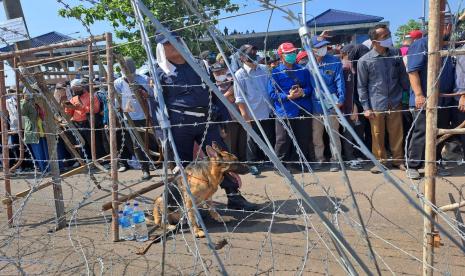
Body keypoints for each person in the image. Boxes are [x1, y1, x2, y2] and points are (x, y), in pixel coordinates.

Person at [155, 31, 259, 211]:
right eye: (167, 44)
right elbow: (157, 104)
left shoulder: (200, 65)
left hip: (207, 121)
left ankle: (234, 196)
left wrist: (222, 121)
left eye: (174, 41)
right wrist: (163, 132)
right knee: (185, 166)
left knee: (222, 158)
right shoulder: (160, 72)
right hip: (180, 124)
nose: (172, 45)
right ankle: (190, 204)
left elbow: (215, 94)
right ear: (161, 48)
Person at [405, 18, 456, 179]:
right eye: (450, 27)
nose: (451, 31)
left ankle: (434, 163)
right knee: (421, 132)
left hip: (443, 100)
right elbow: (412, 71)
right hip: (425, 100)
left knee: (439, 133)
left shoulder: (446, 45)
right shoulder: (421, 44)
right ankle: (413, 165)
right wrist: (419, 95)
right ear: (444, 26)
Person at [357, 24, 410, 173]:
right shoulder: (365, 60)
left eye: (389, 34)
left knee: (397, 132)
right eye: (384, 36)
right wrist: (366, 107)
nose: (388, 38)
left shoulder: (395, 53)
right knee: (377, 134)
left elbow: (403, 78)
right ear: (374, 41)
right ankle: (380, 162)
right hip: (376, 103)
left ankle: (398, 160)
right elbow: (361, 86)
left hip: (395, 100)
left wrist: (407, 99)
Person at [268, 42, 313, 172]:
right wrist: (287, 96)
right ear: (281, 56)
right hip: (285, 110)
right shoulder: (275, 73)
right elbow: (272, 93)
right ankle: (280, 166)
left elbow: (310, 87)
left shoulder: (303, 70)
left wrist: (302, 92)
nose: (292, 55)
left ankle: (299, 163)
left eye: (293, 52)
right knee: (283, 140)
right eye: (288, 53)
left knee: (303, 138)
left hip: (303, 108)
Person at [234, 44, 273, 176]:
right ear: (242, 57)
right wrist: (244, 115)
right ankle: (252, 164)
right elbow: (239, 98)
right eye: (250, 53)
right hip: (252, 112)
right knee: (252, 140)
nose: (254, 54)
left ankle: (267, 161)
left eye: (255, 52)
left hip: (267, 111)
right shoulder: (240, 74)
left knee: (268, 136)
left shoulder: (264, 69)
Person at [114, 57, 156, 180]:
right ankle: (145, 170)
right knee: (137, 144)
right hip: (130, 118)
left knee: (155, 140)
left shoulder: (144, 79)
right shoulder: (118, 83)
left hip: (146, 115)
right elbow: (117, 102)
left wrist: (144, 93)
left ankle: (164, 163)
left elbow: (152, 95)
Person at [310, 35, 345, 172]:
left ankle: (336, 161)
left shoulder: (334, 61)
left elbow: (339, 82)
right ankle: (320, 159)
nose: (322, 49)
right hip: (315, 106)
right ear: (312, 49)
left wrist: (340, 100)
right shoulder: (308, 64)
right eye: (319, 47)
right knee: (316, 135)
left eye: (324, 46)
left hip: (331, 104)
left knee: (333, 134)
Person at [210, 61, 247, 163]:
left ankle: (243, 161)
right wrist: (227, 96)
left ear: (226, 71)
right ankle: (232, 163)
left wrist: (227, 95)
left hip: (239, 116)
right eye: (216, 73)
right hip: (225, 120)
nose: (219, 75)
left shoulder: (233, 82)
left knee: (242, 142)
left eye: (221, 72)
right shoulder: (212, 87)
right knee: (230, 144)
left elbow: (237, 95)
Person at [339, 45, 364, 169]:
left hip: (353, 103)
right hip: (347, 105)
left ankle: (353, 154)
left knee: (354, 129)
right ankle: (349, 156)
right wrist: (353, 106)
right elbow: (348, 91)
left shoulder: (352, 65)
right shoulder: (345, 67)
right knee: (348, 130)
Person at [64, 78, 101, 158]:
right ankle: (86, 160)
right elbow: (69, 114)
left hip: (88, 123)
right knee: (81, 144)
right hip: (76, 124)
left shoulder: (91, 97)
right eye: (73, 89)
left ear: (81, 87)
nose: (74, 91)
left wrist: (81, 107)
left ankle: (100, 160)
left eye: (76, 89)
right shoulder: (73, 99)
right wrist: (67, 107)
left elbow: (95, 109)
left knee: (94, 143)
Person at [21, 90, 49, 173]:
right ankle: (43, 169)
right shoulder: (23, 103)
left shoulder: (41, 102)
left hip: (44, 130)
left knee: (47, 150)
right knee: (38, 152)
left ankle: (50, 168)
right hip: (33, 131)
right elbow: (23, 113)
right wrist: (26, 100)